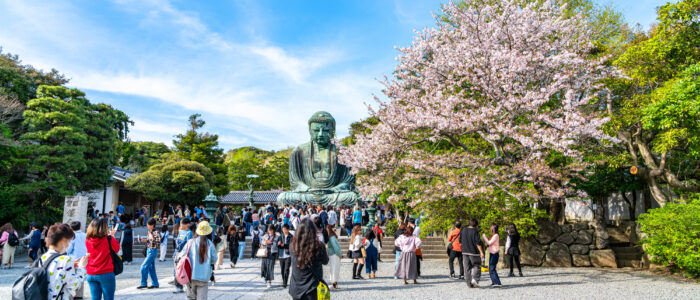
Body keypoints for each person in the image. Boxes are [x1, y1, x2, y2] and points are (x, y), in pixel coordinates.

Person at [41, 223, 89, 300]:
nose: (68, 245)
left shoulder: (42, 257)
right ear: (63, 240)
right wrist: (82, 268)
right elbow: (74, 285)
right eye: (69, 241)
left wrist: (70, 266)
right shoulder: (65, 260)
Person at [288, 219, 329, 300]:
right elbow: (325, 261)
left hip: (296, 287)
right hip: (312, 287)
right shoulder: (319, 246)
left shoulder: (292, 246)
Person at [86, 218, 119, 300]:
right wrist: (112, 236)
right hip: (105, 272)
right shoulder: (108, 239)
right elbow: (117, 248)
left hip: (91, 273)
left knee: (95, 298)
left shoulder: (87, 240)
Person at [183, 221, 217, 300]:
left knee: (190, 298)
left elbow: (182, 255)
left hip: (190, 276)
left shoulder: (190, 242)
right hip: (204, 276)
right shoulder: (210, 244)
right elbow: (214, 259)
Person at [460, 218, 484, 288]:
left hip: (464, 252)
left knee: (467, 268)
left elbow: (460, 241)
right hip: (474, 252)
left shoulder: (463, 230)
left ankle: (469, 283)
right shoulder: (475, 231)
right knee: (477, 265)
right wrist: (481, 252)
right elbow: (478, 243)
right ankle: (475, 280)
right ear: (476, 225)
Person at [66, 221, 88, 299]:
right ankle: (79, 295)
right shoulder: (86, 235)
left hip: (74, 260)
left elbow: (69, 249)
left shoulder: (72, 236)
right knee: (80, 276)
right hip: (84, 260)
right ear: (80, 227)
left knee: (71, 278)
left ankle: (70, 295)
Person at [138, 218, 161, 289]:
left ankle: (144, 283)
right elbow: (149, 241)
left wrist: (151, 238)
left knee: (143, 267)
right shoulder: (150, 231)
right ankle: (155, 283)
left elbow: (158, 243)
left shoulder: (156, 232)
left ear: (152, 225)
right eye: (147, 224)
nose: (147, 225)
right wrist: (144, 240)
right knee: (151, 268)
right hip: (149, 250)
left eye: (149, 224)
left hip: (152, 251)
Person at [172, 218, 193, 293]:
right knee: (176, 270)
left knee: (182, 270)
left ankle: (185, 285)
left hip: (183, 254)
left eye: (182, 224)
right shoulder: (180, 232)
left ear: (187, 224)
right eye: (180, 224)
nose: (180, 225)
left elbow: (189, 244)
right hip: (177, 253)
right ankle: (178, 286)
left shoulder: (189, 233)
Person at [483, 223, 502, 288]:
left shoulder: (496, 235)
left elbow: (489, 243)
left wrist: (484, 237)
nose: (490, 228)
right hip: (492, 253)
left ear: (494, 228)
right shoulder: (493, 235)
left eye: (491, 227)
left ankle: (497, 283)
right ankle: (494, 282)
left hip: (495, 253)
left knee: (492, 268)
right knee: (491, 268)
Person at [325, 224, 341, 289]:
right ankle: (334, 284)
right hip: (333, 254)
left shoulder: (331, 238)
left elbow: (336, 247)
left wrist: (340, 255)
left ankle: (334, 284)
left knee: (334, 269)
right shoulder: (332, 237)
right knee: (334, 269)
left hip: (334, 254)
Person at [278, 224, 293, 288]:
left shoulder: (291, 236)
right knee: (282, 269)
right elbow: (277, 245)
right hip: (281, 255)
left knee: (286, 269)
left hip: (288, 255)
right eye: (283, 229)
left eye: (285, 229)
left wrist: (284, 245)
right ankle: (284, 281)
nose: (284, 230)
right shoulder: (280, 236)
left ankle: (285, 283)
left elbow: (291, 246)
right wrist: (278, 244)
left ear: (288, 229)